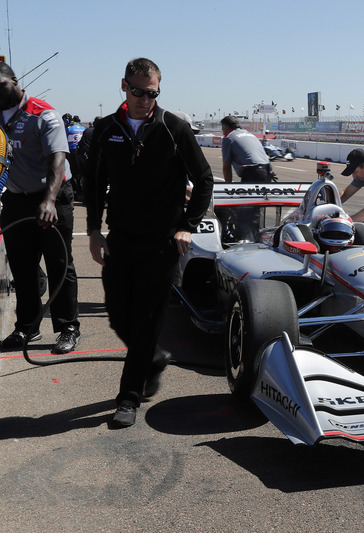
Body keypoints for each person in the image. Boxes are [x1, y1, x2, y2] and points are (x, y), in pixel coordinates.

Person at [85, 57, 213, 428]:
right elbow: (92, 183)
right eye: (139, 91)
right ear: (124, 86)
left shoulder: (174, 127)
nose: (145, 99)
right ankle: (154, 358)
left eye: (153, 93)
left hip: (163, 243)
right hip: (121, 238)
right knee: (118, 316)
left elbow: (203, 178)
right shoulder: (106, 128)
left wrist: (188, 225)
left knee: (146, 321)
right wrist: (94, 230)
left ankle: (128, 397)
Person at [0, 62, 81, 354]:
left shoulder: (43, 113)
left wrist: (48, 200)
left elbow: (57, 160)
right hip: (16, 197)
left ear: (14, 81)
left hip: (52, 194)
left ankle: (68, 327)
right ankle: (26, 328)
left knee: (59, 263)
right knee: (22, 267)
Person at [220, 115, 276, 183]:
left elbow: (226, 166)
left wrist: (228, 186)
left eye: (222, 127)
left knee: (245, 193)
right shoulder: (250, 135)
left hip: (252, 172)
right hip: (267, 169)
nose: (221, 129)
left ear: (227, 127)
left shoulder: (228, 138)